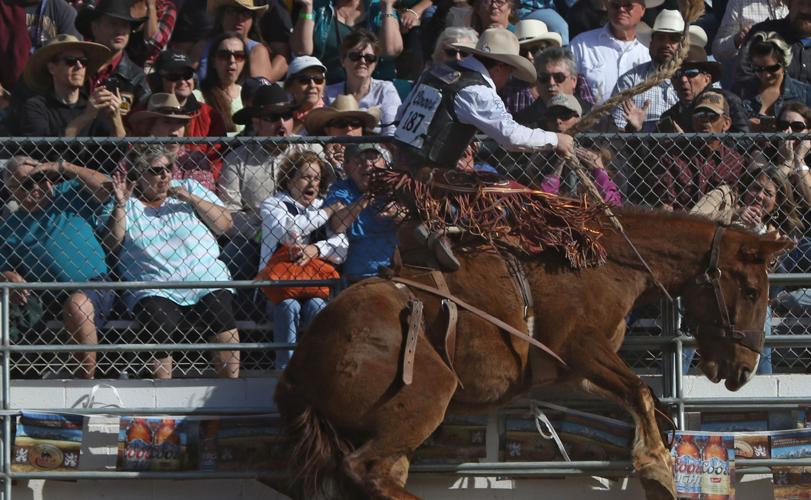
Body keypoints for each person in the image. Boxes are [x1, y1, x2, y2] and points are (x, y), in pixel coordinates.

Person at [394, 28, 573, 270]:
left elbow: (401, 114)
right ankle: (452, 230)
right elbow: (511, 137)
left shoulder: (437, 72)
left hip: (401, 168)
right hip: (428, 178)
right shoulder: (476, 91)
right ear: (500, 66)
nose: (508, 78)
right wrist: (555, 139)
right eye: (509, 71)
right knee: (515, 196)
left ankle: (447, 225)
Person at [104, 146, 240, 379]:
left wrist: (192, 199)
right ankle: (163, 392)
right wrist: (119, 205)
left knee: (220, 312)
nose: (165, 175)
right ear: (138, 175)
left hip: (204, 277)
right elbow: (111, 244)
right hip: (154, 283)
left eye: (169, 168)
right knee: (159, 321)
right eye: (156, 171)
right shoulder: (125, 201)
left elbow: (225, 224)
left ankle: (231, 386)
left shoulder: (188, 188)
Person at [0, 157, 116, 379]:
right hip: (45, 294)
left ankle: (85, 382)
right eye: (27, 184)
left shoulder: (69, 194)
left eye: (40, 178)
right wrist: (6, 275)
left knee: (76, 305)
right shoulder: (9, 227)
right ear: (12, 190)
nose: (37, 187)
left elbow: (108, 188)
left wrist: (65, 167)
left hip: (93, 284)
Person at [689, 167, 803, 374]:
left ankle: (762, 383)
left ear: (777, 202)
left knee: (762, 319)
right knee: (692, 323)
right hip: (713, 288)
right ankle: (677, 380)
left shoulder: (775, 231)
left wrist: (763, 240)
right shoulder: (725, 197)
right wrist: (733, 215)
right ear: (744, 187)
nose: (759, 196)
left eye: (768, 193)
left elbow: (768, 282)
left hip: (746, 297)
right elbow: (693, 222)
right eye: (755, 188)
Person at [218, 85, 319, 282]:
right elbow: (229, 213)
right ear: (256, 122)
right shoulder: (236, 160)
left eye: (286, 116)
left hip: (307, 234)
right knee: (232, 253)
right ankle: (234, 300)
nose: (281, 123)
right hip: (256, 238)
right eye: (272, 117)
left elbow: (327, 195)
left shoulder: (311, 149)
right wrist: (265, 231)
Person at [258, 151, 347, 369]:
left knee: (318, 306)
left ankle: (316, 369)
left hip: (314, 285)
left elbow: (342, 248)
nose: (312, 183)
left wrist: (316, 249)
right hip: (278, 288)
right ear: (289, 180)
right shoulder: (273, 205)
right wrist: (327, 213)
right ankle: (285, 372)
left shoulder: (322, 205)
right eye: (306, 177)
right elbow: (289, 234)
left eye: (317, 178)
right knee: (288, 306)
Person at [637, 90, 746, 210]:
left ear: (726, 123)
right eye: (700, 114)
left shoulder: (735, 161)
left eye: (712, 115)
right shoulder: (671, 154)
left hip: (718, 220)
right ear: (693, 120)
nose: (705, 120)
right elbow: (665, 205)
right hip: (680, 219)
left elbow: (737, 203)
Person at [18, 34, 125, 138]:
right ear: (52, 68)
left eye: (83, 61)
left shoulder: (92, 107)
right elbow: (44, 147)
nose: (79, 66)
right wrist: (86, 117)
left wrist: (116, 118)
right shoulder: (37, 107)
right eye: (71, 61)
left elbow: (118, 148)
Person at [326, 143, 400, 282]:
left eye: (373, 158)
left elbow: (414, 219)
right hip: (357, 277)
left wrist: (398, 214)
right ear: (346, 167)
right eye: (359, 160)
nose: (367, 164)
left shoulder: (396, 187)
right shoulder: (341, 189)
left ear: (384, 163)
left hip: (396, 272)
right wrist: (364, 199)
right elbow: (336, 225)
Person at [569, 0, 661, 104]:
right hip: (592, 114)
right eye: (615, 5)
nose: (621, 9)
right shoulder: (580, 45)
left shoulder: (653, 49)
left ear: (643, 9)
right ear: (608, 7)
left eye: (628, 5)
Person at [536, 94, 622, 205]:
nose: (558, 121)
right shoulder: (540, 153)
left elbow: (614, 204)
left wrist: (599, 170)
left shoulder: (597, 146)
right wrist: (555, 170)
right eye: (552, 116)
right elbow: (543, 205)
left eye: (565, 115)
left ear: (579, 119)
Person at [291, 0, 403, 84]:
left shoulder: (379, 7)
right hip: (327, 88)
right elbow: (301, 50)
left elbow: (391, 50)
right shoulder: (319, 7)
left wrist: (388, 7)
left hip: (373, 90)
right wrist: (307, 8)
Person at [611, 9, 682, 132]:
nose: (666, 44)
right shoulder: (630, 81)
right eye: (661, 38)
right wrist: (633, 128)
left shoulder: (695, 79)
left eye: (673, 39)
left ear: (683, 45)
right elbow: (617, 130)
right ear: (651, 43)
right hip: (638, 144)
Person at [127, 93, 216, 190]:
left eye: (180, 123)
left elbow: (206, 195)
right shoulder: (133, 157)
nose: (175, 130)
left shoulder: (195, 159)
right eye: (167, 122)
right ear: (149, 127)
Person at [324, 29, 402, 135]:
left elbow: (392, 131)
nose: (362, 61)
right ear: (343, 60)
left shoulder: (385, 90)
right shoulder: (328, 93)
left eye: (369, 58)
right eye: (355, 56)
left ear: (375, 63)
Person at [657, 45, 751, 133]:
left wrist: (686, 141)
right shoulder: (671, 116)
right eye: (676, 74)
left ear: (707, 78)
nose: (683, 79)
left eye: (691, 73)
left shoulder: (727, 101)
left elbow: (746, 140)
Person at [79, 0, 151, 111]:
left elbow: (141, 120)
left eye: (125, 25)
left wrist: (116, 118)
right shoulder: (73, 65)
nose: (120, 31)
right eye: (113, 23)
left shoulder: (137, 79)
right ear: (94, 27)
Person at [732, 31, 811, 129]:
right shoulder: (740, 90)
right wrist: (746, 126)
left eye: (772, 68)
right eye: (759, 69)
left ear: (784, 63)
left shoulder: (806, 94)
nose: (766, 75)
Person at [193, 0, 283, 82]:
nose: (239, 18)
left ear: (252, 20)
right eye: (232, 11)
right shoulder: (202, 47)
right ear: (221, 16)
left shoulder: (257, 51)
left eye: (246, 13)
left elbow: (259, 91)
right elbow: (187, 78)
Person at [304, 93, 381, 176]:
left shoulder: (377, 152)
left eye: (355, 123)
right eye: (341, 123)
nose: (349, 128)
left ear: (362, 129)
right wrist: (326, 161)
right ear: (327, 130)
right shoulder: (314, 152)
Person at [738, 0, 811, 85]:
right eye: (800, 3)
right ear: (789, 4)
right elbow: (744, 81)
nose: (804, 10)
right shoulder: (762, 35)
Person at [500, 19, 562, 115]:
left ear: (549, 50)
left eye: (535, 49)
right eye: (523, 52)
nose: (529, 56)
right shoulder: (509, 88)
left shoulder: (571, 80)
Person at [199, 32, 249, 136]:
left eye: (239, 56)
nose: (232, 61)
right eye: (224, 55)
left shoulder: (249, 96)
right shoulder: (198, 97)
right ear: (213, 61)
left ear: (245, 61)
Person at [711, 0, 787, 65]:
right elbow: (718, 51)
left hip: (788, 73)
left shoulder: (792, 5)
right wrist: (737, 40)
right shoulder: (739, 2)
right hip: (751, 73)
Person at [284, 55, 327, 135]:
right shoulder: (280, 119)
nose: (312, 85)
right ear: (290, 87)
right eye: (304, 80)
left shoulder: (331, 118)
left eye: (318, 79)